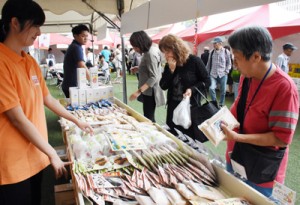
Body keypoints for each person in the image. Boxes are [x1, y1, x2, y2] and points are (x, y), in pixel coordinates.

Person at [0, 1, 93, 204]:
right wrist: (52, 152)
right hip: (12, 165)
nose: (39, 32)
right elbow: (17, 119)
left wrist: (76, 120)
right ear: (15, 23)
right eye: (35, 25)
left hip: (35, 154)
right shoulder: (2, 62)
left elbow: (47, 98)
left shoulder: (30, 61)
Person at [221, 26, 299, 197]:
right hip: (236, 156)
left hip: (262, 172)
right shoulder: (246, 76)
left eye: (237, 59)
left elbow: (281, 138)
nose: (235, 65)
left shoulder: (284, 88)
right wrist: (220, 121)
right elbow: (239, 106)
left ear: (256, 57)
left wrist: (238, 137)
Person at [159, 34, 210, 137]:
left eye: (167, 51)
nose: (166, 55)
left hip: (190, 107)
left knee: (188, 137)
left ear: (176, 48)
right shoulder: (170, 64)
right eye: (164, 53)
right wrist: (171, 70)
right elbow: (163, 86)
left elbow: (207, 81)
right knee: (172, 135)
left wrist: (192, 89)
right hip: (173, 107)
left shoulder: (194, 61)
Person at [129, 31, 165, 122]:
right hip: (148, 90)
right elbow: (153, 68)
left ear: (141, 43)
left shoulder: (150, 54)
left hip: (150, 91)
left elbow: (154, 77)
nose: (134, 49)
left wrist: (138, 92)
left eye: (135, 46)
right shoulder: (152, 49)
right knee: (149, 116)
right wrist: (139, 68)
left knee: (149, 118)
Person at [62, 24, 90, 98]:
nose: (86, 38)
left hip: (70, 85)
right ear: (75, 36)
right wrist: (91, 79)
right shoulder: (76, 47)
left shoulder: (75, 46)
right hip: (72, 86)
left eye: (87, 36)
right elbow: (82, 65)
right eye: (83, 36)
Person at [206, 36, 232, 107]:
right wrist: (206, 73)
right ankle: (214, 103)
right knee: (211, 88)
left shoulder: (226, 52)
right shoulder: (211, 52)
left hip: (223, 74)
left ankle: (221, 104)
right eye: (213, 43)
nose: (213, 44)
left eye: (215, 43)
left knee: (223, 91)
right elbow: (208, 63)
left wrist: (226, 71)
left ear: (220, 43)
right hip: (213, 74)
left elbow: (229, 63)